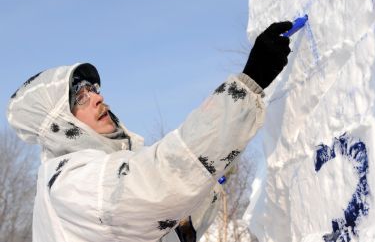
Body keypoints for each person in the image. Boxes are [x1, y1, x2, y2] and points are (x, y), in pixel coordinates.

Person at [6, 21, 293, 242]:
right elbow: (159, 183)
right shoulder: (69, 181)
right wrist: (248, 84)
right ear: (59, 127)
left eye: (93, 89)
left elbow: (170, 226)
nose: (97, 97)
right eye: (79, 97)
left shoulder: (89, 174)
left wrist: (207, 181)